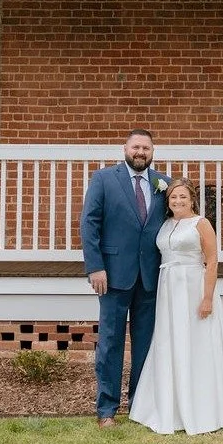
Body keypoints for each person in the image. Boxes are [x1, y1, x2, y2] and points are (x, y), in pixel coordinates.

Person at [129, 176, 223, 435]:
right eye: (173, 197)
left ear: (192, 200)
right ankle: (170, 406)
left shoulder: (201, 224)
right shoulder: (165, 224)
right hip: (168, 288)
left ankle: (203, 407)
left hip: (193, 288)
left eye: (183, 197)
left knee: (198, 343)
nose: (178, 201)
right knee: (170, 342)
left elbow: (212, 261)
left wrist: (207, 298)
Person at [79, 127, 169, 427]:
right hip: (112, 275)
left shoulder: (164, 184)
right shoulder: (104, 179)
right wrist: (95, 267)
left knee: (145, 345)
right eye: (136, 147)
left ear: (152, 152)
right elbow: (89, 223)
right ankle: (106, 409)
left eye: (146, 148)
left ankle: (139, 407)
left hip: (151, 277)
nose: (140, 152)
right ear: (125, 149)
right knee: (110, 343)